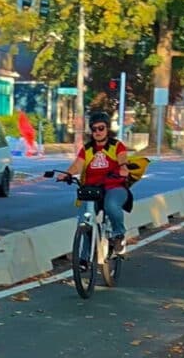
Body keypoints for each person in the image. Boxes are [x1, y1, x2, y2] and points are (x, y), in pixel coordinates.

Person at [59, 111, 132, 265]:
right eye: (94, 129)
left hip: (115, 187)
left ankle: (118, 236)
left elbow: (123, 160)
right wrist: (67, 174)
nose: (97, 132)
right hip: (92, 189)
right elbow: (77, 165)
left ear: (107, 129)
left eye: (101, 128)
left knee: (111, 206)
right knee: (85, 219)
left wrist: (123, 169)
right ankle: (84, 258)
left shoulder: (116, 146)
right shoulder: (87, 149)